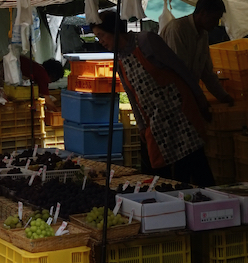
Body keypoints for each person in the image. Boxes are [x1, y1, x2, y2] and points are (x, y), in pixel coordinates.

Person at [91, 10, 218, 185]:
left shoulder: (146, 40)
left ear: (114, 30)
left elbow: (180, 69)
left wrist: (199, 97)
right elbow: (131, 94)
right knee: (165, 172)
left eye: (101, 35)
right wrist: (142, 125)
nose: (101, 41)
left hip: (179, 112)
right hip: (156, 120)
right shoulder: (119, 59)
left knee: (194, 164)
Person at [160, 0, 233, 105]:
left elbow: (207, 72)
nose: (216, 23)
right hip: (169, 96)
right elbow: (179, 71)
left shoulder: (203, 34)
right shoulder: (178, 29)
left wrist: (224, 96)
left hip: (185, 94)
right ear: (203, 13)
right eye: (215, 18)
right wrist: (199, 97)